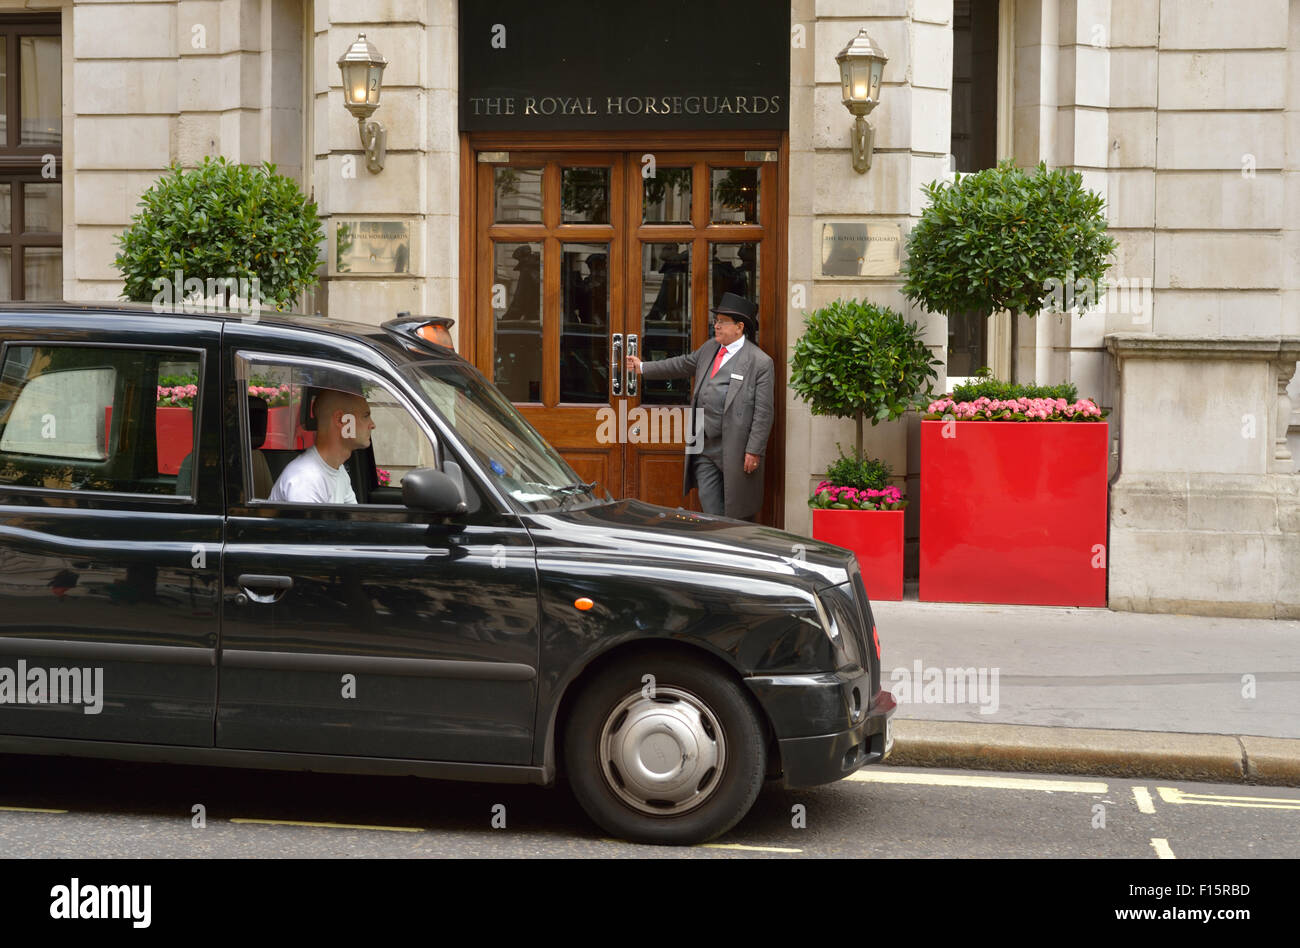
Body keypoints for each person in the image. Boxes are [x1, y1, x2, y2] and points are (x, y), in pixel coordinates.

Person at [626, 292, 774, 521]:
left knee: (739, 512)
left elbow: (763, 412)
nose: (716, 326)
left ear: (740, 327)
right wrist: (643, 368)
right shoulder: (709, 349)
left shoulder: (759, 362)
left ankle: (736, 552)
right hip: (704, 446)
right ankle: (717, 548)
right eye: (716, 321)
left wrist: (754, 450)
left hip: (735, 448)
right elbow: (682, 364)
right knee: (711, 508)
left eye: (722, 322)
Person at [268, 388, 375, 504]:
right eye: (365, 416)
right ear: (341, 420)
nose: (372, 425)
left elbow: (353, 518)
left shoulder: (338, 470)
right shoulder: (306, 479)